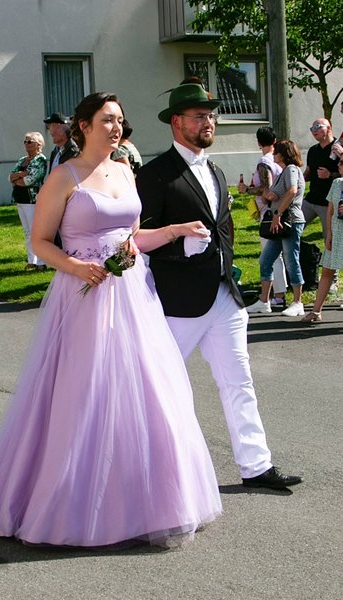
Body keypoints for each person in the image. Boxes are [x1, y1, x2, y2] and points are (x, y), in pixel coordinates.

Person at [0, 91, 221, 549]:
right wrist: (77, 267)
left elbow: (133, 237)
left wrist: (176, 230)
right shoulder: (64, 176)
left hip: (133, 294)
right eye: (107, 120)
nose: (116, 128)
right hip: (84, 296)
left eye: (119, 120)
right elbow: (40, 241)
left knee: (146, 392)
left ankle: (144, 500)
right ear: (84, 126)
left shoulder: (125, 170)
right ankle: (65, 499)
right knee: (84, 395)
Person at [136, 82, 302, 490]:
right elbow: (136, 239)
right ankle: (153, 472)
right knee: (160, 388)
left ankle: (256, 466)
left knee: (239, 382)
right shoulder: (155, 175)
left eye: (211, 115)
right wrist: (179, 246)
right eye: (199, 116)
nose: (208, 122)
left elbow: (221, 227)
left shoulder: (215, 170)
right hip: (177, 301)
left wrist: (230, 271)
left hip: (225, 295)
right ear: (177, 122)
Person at [247, 140, 306, 317]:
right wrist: (271, 196)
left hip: (289, 221)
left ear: (283, 154)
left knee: (291, 259)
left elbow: (293, 191)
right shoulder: (283, 172)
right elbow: (282, 193)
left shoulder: (291, 169)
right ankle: (264, 301)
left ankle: (298, 302)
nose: (273, 155)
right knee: (266, 260)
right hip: (279, 223)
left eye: (276, 152)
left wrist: (278, 213)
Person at [238, 127, 287, 309]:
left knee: (270, 255)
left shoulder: (264, 162)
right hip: (280, 209)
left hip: (268, 213)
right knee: (277, 254)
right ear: (274, 141)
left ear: (258, 143)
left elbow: (267, 190)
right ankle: (277, 295)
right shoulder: (279, 161)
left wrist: (247, 190)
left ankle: (276, 296)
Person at [301, 157, 343, 322]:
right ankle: (316, 311)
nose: (339, 165)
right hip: (337, 234)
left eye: (342, 163)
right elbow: (330, 211)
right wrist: (329, 234)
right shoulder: (337, 183)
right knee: (327, 271)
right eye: (339, 162)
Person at [9, 132, 47, 271]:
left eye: (29, 141)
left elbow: (30, 180)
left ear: (38, 144)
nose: (26, 144)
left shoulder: (40, 160)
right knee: (27, 232)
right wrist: (20, 174)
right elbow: (10, 177)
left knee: (35, 231)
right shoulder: (22, 160)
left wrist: (19, 178)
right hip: (20, 199)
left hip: (32, 200)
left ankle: (41, 261)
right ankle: (32, 260)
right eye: (25, 141)